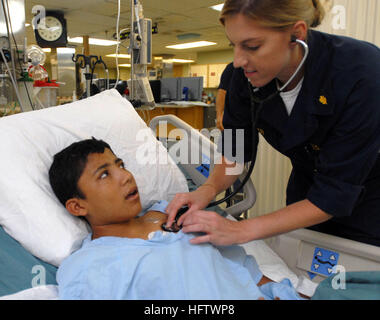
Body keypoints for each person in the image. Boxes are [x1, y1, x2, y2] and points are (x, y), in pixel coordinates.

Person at [165, 0, 380, 247]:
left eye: (252, 46)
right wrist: (208, 189)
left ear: (296, 34)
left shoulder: (362, 72)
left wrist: (242, 230)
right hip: (306, 195)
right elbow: (234, 154)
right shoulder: (242, 77)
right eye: (233, 45)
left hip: (370, 200)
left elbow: (334, 194)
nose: (237, 61)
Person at [48, 138, 304, 300]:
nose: (125, 176)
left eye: (121, 165)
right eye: (104, 175)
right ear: (77, 206)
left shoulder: (172, 211)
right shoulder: (87, 267)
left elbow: (247, 271)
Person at [215, 62, 233, 130]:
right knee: (234, 139)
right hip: (235, 121)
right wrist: (219, 115)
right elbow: (222, 92)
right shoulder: (233, 68)